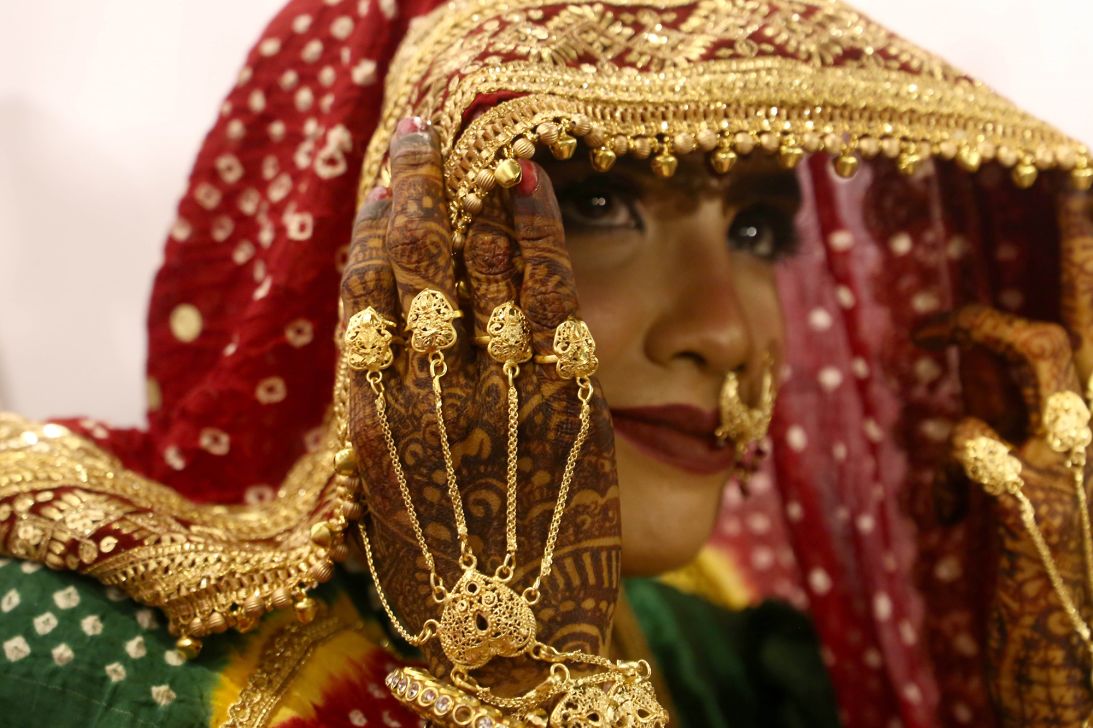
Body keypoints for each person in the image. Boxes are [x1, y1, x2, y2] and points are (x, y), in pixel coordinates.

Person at [1, 0, 1091, 726]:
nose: (727, 331)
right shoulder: (75, 652)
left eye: (760, 229)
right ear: (358, 239)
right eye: (600, 201)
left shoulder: (704, 650)